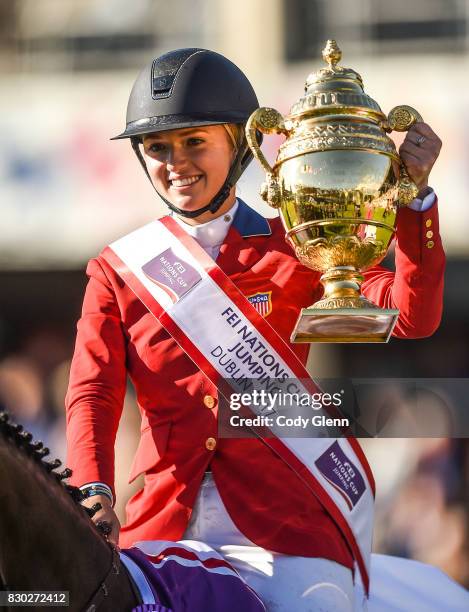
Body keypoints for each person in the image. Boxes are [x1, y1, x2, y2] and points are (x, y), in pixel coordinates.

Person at [66, 48, 445, 611]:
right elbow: (93, 392)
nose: (175, 163)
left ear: (241, 145)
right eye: (158, 148)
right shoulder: (120, 269)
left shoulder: (300, 250)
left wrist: (415, 201)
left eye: (195, 142)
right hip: (161, 523)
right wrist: (92, 487)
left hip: (286, 532)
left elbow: (409, 317)